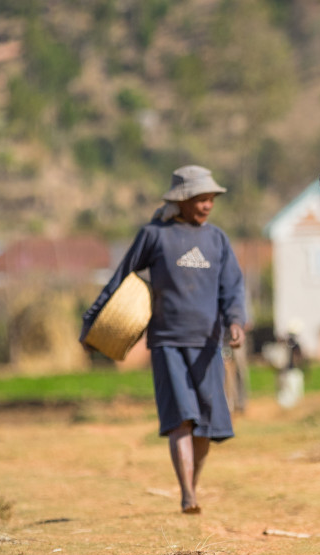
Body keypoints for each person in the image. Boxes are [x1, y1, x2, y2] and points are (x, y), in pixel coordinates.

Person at [81, 165, 245, 515]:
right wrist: (93, 321)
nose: (207, 205)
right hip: (167, 342)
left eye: (210, 199)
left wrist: (235, 322)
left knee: (206, 423)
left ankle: (193, 484)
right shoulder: (154, 235)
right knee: (180, 419)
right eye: (201, 199)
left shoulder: (217, 240)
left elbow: (232, 287)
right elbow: (121, 276)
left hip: (208, 346)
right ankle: (187, 493)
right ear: (181, 201)